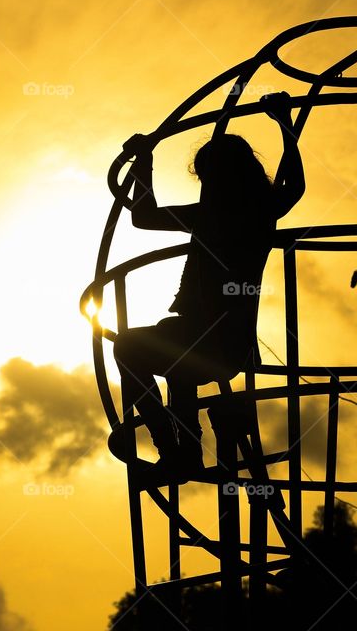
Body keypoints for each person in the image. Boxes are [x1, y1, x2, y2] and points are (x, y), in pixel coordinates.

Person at [112, 92, 305, 484]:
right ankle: (176, 450)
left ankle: (181, 451)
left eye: (214, 177)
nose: (209, 185)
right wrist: (144, 162)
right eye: (206, 179)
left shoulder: (256, 211)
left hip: (224, 341)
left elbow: (293, 186)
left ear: (233, 177)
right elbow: (144, 217)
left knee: (156, 356)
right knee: (135, 348)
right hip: (192, 331)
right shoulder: (214, 213)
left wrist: (286, 126)